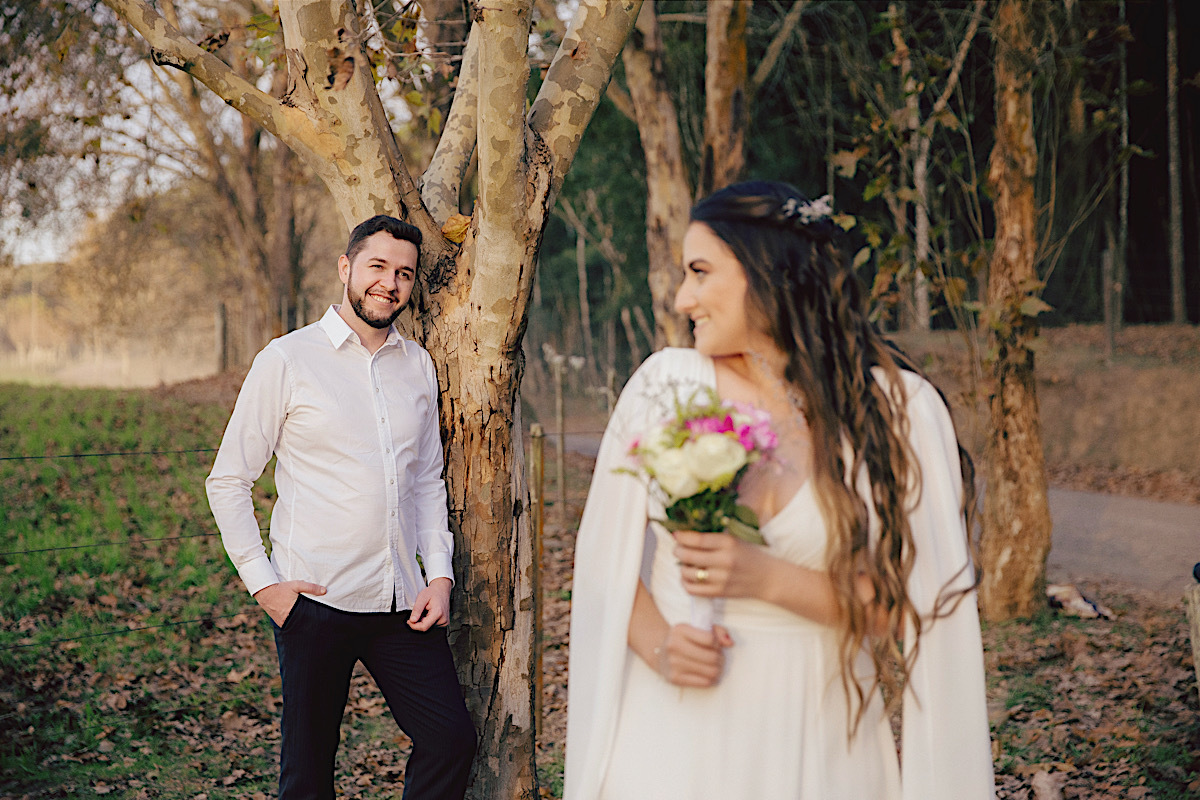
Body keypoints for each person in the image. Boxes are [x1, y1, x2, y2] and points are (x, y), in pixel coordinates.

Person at [564, 181, 995, 799]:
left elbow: (906, 609)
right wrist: (661, 646)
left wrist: (764, 578)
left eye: (701, 271)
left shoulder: (894, 410)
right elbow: (604, 565)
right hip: (672, 738)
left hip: (820, 742)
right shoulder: (667, 385)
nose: (683, 296)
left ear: (768, 271)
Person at [206, 215, 476, 800]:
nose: (391, 283)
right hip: (314, 604)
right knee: (307, 778)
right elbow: (228, 480)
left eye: (404, 273)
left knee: (451, 739)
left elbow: (427, 479)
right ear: (346, 268)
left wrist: (440, 574)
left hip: (402, 603)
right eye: (377, 266)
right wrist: (266, 587)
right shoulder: (287, 360)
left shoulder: (418, 365)